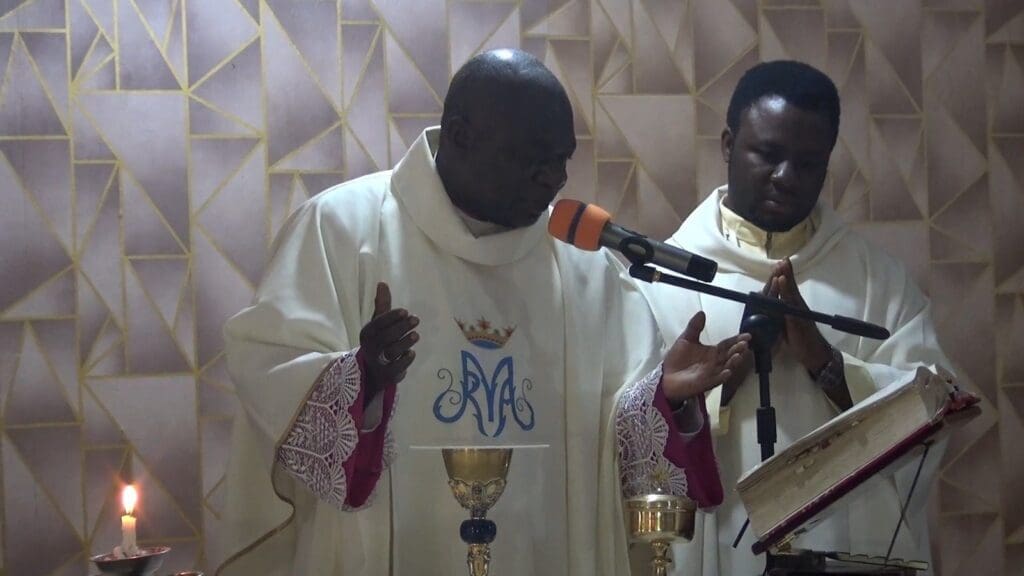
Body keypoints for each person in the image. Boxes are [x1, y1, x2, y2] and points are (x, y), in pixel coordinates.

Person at [213, 49, 748, 576]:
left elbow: (615, 437)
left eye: (563, 158)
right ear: (462, 135)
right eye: (534, 157)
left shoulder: (585, 270)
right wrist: (359, 382)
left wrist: (664, 403)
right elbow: (269, 367)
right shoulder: (341, 230)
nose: (555, 180)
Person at [641, 60, 953, 575]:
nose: (786, 177)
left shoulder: (878, 280)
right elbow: (622, 432)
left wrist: (827, 364)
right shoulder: (659, 279)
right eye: (767, 153)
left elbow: (935, 414)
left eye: (808, 164)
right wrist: (718, 387)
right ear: (727, 145)